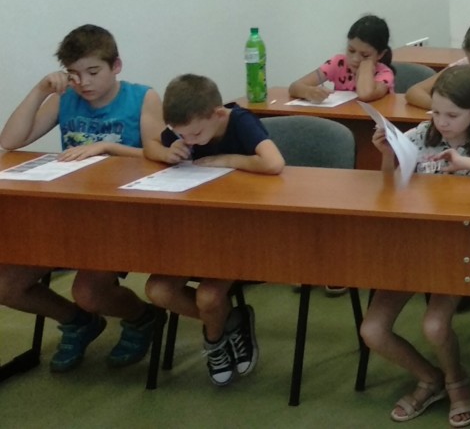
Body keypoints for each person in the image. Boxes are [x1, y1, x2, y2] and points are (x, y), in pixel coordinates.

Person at [365, 66, 470, 426]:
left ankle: (457, 382)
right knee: (372, 331)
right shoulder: (423, 134)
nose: (442, 122)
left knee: (435, 326)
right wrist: (387, 154)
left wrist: (462, 161)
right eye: (436, 112)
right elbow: (391, 186)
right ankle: (430, 378)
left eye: (452, 115)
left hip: (462, 246)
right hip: (415, 242)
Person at [0, 25, 165, 372]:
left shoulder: (142, 97)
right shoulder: (65, 99)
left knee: (89, 292)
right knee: (5, 286)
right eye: (74, 75)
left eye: (93, 72)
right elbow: (10, 140)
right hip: (69, 212)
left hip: (120, 214)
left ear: (116, 66)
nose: (84, 82)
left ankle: (142, 318)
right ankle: (77, 321)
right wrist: (40, 90)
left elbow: (160, 156)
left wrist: (107, 148)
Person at [144, 74, 284, 386]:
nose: (190, 141)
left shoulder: (239, 121)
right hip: (195, 231)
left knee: (208, 297)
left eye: (195, 134)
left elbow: (274, 163)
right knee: (158, 291)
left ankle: (213, 341)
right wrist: (167, 152)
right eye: (182, 134)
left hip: (239, 232)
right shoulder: (188, 128)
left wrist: (228, 160)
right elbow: (150, 145)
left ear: (217, 114)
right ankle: (233, 320)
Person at [288, 14, 394, 103]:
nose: (355, 59)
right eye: (351, 50)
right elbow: (294, 86)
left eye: (365, 55)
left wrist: (366, 68)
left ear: (380, 54)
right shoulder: (339, 63)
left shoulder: (384, 74)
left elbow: (365, 95)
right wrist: (309, 92)